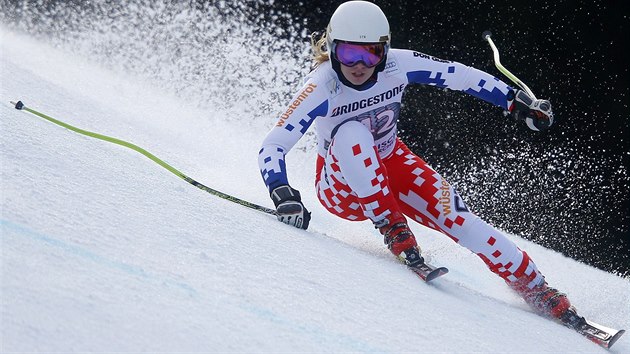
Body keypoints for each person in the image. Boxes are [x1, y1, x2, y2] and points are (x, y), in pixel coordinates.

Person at [257, 0, 581, 326]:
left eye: (370, 53)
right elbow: (273, 145)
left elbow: (460, 75)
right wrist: (283, 194)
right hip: (342, 189)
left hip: (392, 164)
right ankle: (395, 230)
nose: (359, 65)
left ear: (384, 50)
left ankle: (539, 290)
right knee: (351, 134)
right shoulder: (322, 85)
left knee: (460, 218)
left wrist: (515, 101)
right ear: (333, 49)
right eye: (348, 54)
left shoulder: (398, 64)